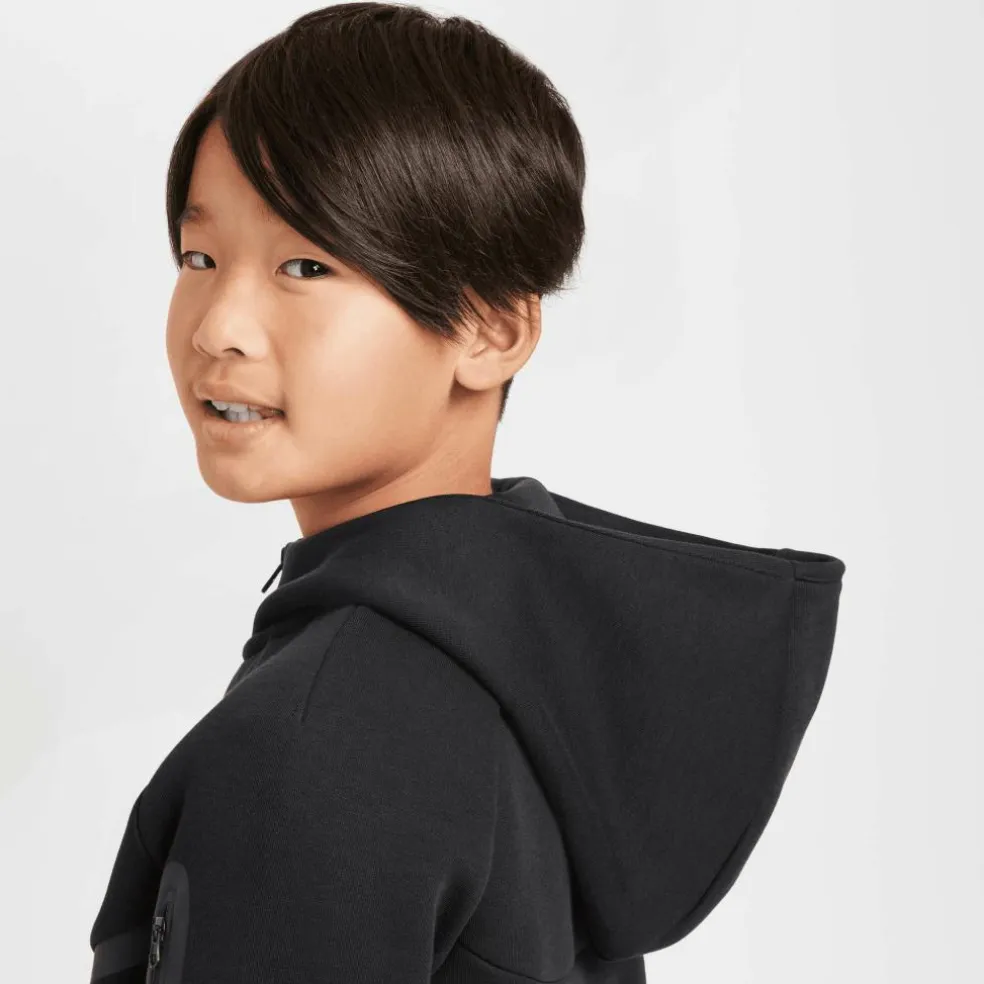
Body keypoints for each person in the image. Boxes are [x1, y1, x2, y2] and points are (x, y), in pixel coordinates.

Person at [88, 5, 846, 983]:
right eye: (200, 258)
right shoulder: (543, 675)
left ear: (491, 330)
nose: (217, 325)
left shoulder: (322, 737)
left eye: (305, 265)